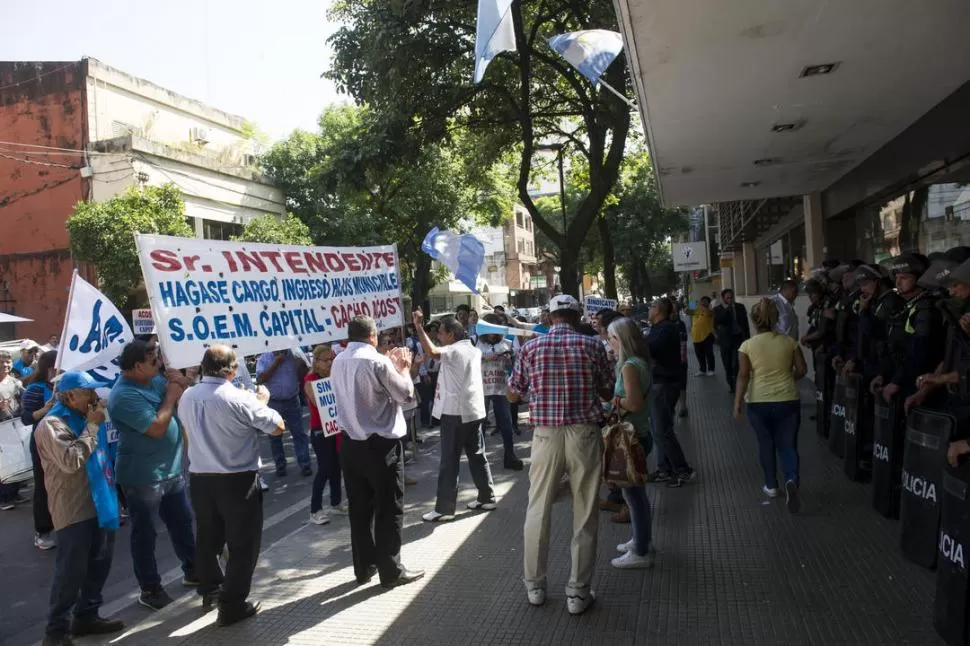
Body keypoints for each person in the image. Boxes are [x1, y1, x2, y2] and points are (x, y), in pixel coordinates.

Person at [508, 294, 613, 616]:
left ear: (550, 317)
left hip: (545, 435)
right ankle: (578, 593)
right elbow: (607, 390)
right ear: (577, 315)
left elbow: (513, 392)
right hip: (584, 432)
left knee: (538, 507)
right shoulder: (593, 346)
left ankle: (535, 586)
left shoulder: (531, 348)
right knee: (585, 512)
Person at [178, 345, 285, 626]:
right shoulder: (238, 397)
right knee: (242, 544)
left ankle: (211, 589)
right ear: (232, 370)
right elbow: (277, 427)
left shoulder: (187, 396)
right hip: (236, 479)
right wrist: (261, 401)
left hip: (201, 478)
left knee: (207, 537)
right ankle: (232, 603)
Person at [331, 316, 424, 589]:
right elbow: (406, 395)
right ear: (373, 336)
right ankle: (390, 570)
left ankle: (364, 567)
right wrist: (403, 368)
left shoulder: (338, 360)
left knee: (359, 509)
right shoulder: (377, 361)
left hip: (350, 444)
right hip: (380, 444)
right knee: (388, 508)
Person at [35, 371, 124, 645]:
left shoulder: (85, 417)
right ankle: (57, 631)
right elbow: (72, 460)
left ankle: (87, 615)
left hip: (101, 503)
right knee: (71, 573)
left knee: (100, 564)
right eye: (88, 392)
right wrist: (93, 427)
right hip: (74, 508)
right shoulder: (52, 424)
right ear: (70, 395)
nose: (94, 397)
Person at [107, 340, 197, 611]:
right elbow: (157, 427)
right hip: (143, 476)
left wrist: (182, 381)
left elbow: (181, 399)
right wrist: (171, 393)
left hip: (170, 470)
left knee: (182, 523)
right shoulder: (123, 396)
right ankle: (150, 587)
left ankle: (193, 570)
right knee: (145, 534)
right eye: (154, 361)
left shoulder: (153, 380)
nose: (160, 365)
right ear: (136, 366)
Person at [412, 310, 496, 522]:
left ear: (451, 334)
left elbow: (432, 352)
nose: (438, 336)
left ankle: (444, 509)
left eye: (440, 332)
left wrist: (419, 327)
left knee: (449, 461)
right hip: (474, 410)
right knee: (477, 455)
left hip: (455, 413)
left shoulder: (455, 351)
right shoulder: (473, 350)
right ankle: (487, 497)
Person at [733, 298, 807, 513]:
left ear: (754, 321)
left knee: (765, 444)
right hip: (788, 400)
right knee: (788, 445)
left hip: (758, 402)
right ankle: (791, 478)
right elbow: (802, 370)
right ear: (775, 319)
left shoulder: (747, 346)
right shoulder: (789, 342)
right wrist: (787, 378)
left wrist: (737, 403)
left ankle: (771, 486)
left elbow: (743, 375)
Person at [606, 317, 656, 569]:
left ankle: (640, 550)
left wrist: (614, 402)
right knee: (636, 494)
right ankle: (641, 539)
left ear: (621, 340)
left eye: (611, 338)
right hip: (640, 433)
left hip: (632, 436)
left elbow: (633, 403)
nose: (608, 342)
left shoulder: (629, 367)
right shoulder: (638, 363)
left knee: (633, 496)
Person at [645, 299, 696, 487]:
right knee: (658, 429)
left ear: (658, 310)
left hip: (665, 384)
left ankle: (682, 470)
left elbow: (647, 348)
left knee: (662, 430)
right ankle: (664, 469)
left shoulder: (665, 329)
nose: (648, 310)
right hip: (661, 383)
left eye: (651, 306)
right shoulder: (659, 328)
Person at [303, 345, 346, 526]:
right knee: (325, 469)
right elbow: (317, 401)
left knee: (337, 467)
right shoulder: (310, 380)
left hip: (335, 428)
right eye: (326, 360)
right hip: (320, 430)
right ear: (317, 362)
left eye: (332, 359)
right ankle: (315, 509)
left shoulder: (334, 376)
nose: (330, 363)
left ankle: (336, 502)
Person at [477, 313, 524, 471]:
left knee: (505, 422)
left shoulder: (507, 343)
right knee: (480, 424)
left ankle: (510, 455)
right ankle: (478, 459)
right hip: (481, 388)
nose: (491, 334)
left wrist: (508, 359)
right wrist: (485, 358)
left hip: (501, 386)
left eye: (494, 329)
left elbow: (514, 365)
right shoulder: (475, 342)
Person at [256, 349, 311, 477]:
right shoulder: (264, 357)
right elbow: (260, 379)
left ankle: (305, 464)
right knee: (274, 436)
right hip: (273, 402)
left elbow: (306, 373)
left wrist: (301, 364)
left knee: (299, 433)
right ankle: (280, 465)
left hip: (292, 400)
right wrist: (276, 363)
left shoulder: (294, 354)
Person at [22, 350, 58, 549]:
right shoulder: (36, 388)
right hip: (42, 443)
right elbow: (26, 418)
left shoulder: (63, 385)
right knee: (43, 487)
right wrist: (45, 410)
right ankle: (42, 531)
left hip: (63, 441)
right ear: (50, 367)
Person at [0, 349, 26, 511]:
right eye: (2, 362)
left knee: (16, 460)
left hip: (15, 425)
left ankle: (14, 493)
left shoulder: (15, 382)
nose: (5, 365)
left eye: (8, 362)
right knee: (3, 463)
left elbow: (25, 396)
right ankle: (3, 498)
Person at [714, 289, 750, 393]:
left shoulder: (740, 307)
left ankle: (737, 383)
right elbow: (719, 320)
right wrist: (726, 309)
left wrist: (747, 338)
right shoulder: (718, 309)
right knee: (727, 364)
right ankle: (731, 383)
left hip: (738, 338)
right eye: (727, 298)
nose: (730, 300)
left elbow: (745, 323)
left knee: (737, 363)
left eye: (731, 297)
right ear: (723, 298)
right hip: (726, 340)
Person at [688, 296, 716, 376]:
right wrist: (692, 302)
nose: (703, 302)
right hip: (696, 336)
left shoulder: (710, 311)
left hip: (707, 335)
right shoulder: (696, 310)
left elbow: (708, 312)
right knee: (699, 354)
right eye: (702, 301)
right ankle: (702, 369)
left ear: (708, 302)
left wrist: (701, 306)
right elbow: (687, 311)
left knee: (709, 354)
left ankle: (711, 369)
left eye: (705, 301)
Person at [670, 301, 689, 418]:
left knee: (682, 384)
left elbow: (684, 338)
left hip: (681, 360)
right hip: (668, 361)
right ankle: (672, 407)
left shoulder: (680, 324)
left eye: (675, 311)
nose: (674, 314)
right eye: (671, 311)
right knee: (672, 386)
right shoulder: (663, 324)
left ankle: (683, 407)